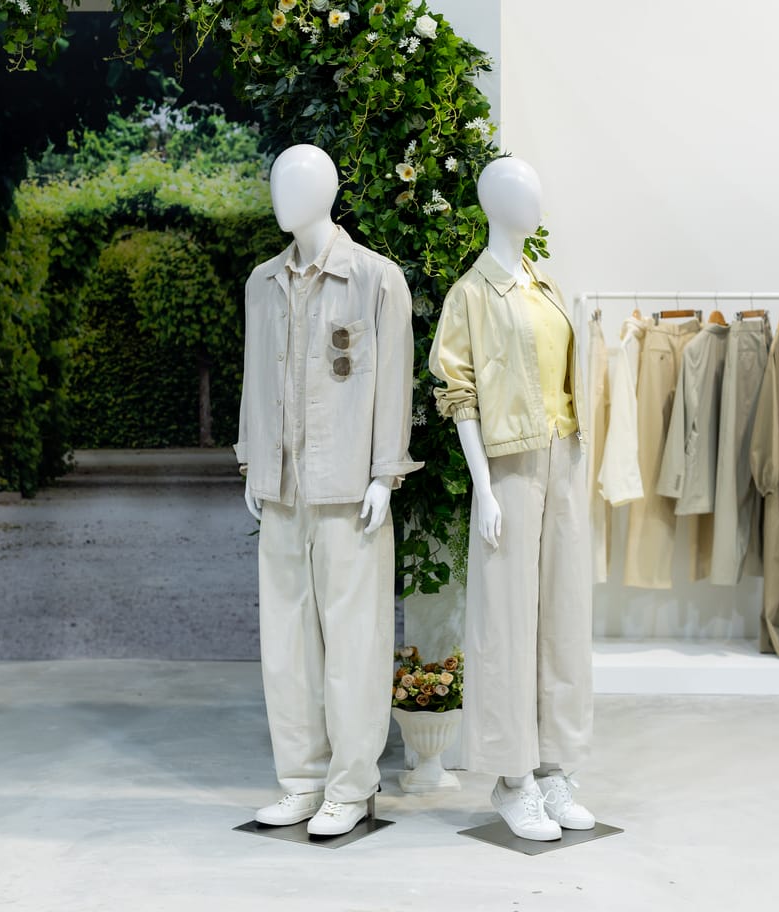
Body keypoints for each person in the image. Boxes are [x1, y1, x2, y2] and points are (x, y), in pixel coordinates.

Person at [235, 144, 421, 837]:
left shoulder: (375, 279)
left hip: (348, 489)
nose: (283, 195)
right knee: (285, 645)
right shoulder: (262, 283)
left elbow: (395, 381)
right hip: (281, 488)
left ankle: (351, 785)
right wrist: (252, 461)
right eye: (278, 182)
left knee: (353, 643)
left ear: (328, 192)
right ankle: (301, 779)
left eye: (298, 183)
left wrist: (384, 474)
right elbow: (254, 375)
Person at [429, 158, 595, 842]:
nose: (537, 201)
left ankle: (553, 766)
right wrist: (484, 486)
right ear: (493, 203)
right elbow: (458, 393)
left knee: (563, 617)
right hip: (509, 465)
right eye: (525, 192)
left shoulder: (545, 285)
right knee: (506, 620)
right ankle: (512, 777)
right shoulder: (471, 293)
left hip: (564, 457)